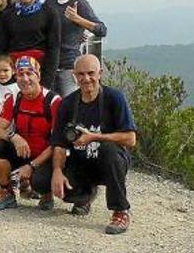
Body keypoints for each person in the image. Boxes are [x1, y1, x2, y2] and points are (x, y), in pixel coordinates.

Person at [51, 54, 137, 234]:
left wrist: (95, 137)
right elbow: (59, 143)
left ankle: (120, 210)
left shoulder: (115, 98)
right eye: (81, 74)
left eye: (91, 73)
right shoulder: (68, 104)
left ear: (100, 73)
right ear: (74, 75)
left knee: (108, 150)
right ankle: (85, 196)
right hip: (82, 162)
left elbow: (130, 139)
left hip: (110, 161)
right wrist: (57, 172)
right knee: (55, 186)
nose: (86, 78)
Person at [0, 56, 61, 212]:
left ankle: (45, 193)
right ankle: (7, 192)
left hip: (44, 157)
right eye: (20, 74)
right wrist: (14, 137)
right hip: (23, 152)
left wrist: (32, 166)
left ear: (38, 76)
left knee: (40, 182)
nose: (25, 79)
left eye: (30, 73)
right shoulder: (14, 98)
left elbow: (57, 143)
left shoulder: (53, 101)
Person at [43, 0, 108, 97]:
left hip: (70, 68)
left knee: (71, 108)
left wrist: (78, 19)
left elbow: (102, 30)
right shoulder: (49, 2)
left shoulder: (79, 3)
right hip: (50, 67)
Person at [0, 0, 61, 92]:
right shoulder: (7, 15)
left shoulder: (49, 13)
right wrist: (5, 77)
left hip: (40, 75)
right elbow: (1, 48)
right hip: (13, 77)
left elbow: (54, 49)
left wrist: (46, 83)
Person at [0, 54, 18, 132]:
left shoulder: (17, 88)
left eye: (5, 70)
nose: (2, 74)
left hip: (11, 130)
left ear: (13, 70)